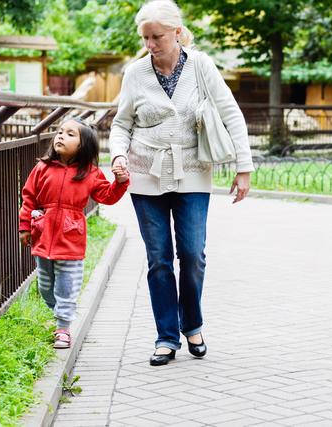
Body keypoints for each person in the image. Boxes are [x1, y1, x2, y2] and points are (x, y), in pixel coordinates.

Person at [109, 0, 254, 366]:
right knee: (158, 259)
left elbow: (230, 113)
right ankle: (166, 337)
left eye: (157, 36)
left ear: (177, 32)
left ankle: (193, 324)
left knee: (191, 255)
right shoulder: (135, 72)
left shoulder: (202, 65)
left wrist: (243, 167)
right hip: (145, 172)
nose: (151, 44)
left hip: (192, 169)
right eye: (145, 37)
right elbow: (121, 123)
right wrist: (118, 156)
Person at [19, 118, 130, 349]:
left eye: (70, 134)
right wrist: (24, 227)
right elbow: (28, 198)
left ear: (83, 146)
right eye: (59, 132)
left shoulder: (90, 173)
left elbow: (107, 196)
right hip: (44, 234)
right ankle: (59, 314)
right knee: (45, 286)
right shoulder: (42, 168)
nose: (60, 136)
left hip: (70, 239)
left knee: (67, 286)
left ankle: (63, 327)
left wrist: (120, 182)